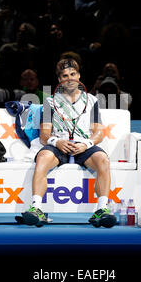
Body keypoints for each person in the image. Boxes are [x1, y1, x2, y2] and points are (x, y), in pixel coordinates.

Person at [21, 58, 117, 228]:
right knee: (42, 157)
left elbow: (99, 133)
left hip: (83, 145)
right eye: (65, 75)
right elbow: (44, 134)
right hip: (59, 144)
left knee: (103, 160)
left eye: (73, 74)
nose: (70, 78)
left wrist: (86, 144)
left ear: (79, 76)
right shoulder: (50, 102)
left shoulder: (92, 101)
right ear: (60, 80)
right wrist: (57, 142)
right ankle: (36, 209)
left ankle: (102, 209)